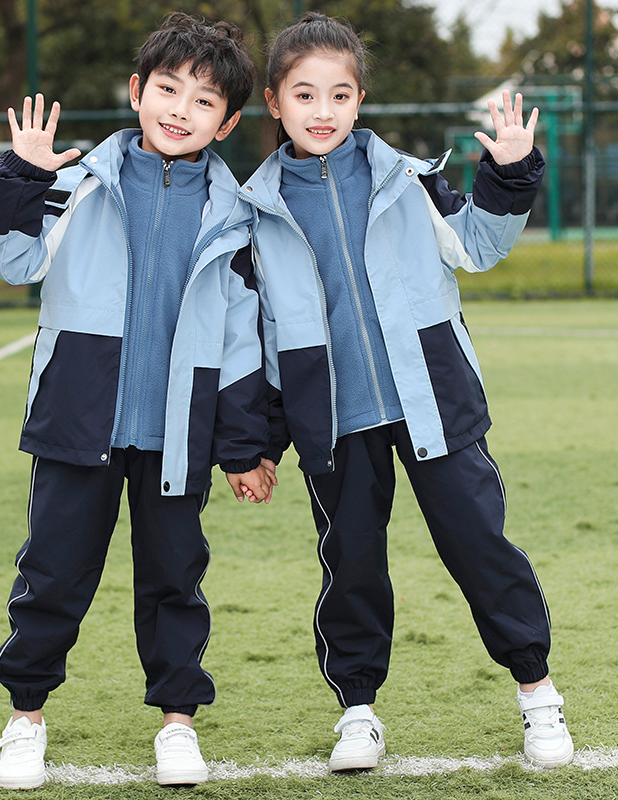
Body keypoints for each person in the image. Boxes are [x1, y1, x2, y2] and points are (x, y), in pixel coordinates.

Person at [240, 12, 573, 772]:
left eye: (340, 95)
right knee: (351, 565)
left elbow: (479, 245)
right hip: (333, 421)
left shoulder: (412, 179)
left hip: (435, 404)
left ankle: (538, 694)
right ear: (273, 101)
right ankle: (359, 713)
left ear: (359, 101)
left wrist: (511, 169)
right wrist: (257, 445)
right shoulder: (252, 212)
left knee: (480, 548)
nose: (322, 112)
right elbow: (256, 340)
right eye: (304, 95)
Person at [0, 13, 272, 789]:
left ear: (229, 121)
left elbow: (243, 342)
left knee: (175, 579)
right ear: (137, 91)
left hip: (178, 435)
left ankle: (177, 725)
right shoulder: (74, 184)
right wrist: (21, 173)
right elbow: (5, 259)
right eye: (167, 89)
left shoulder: (237, 214)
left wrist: (244, 446)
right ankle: (25, 719)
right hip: (78, 422)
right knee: (54, 576)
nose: (180, 109)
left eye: (203, 102)